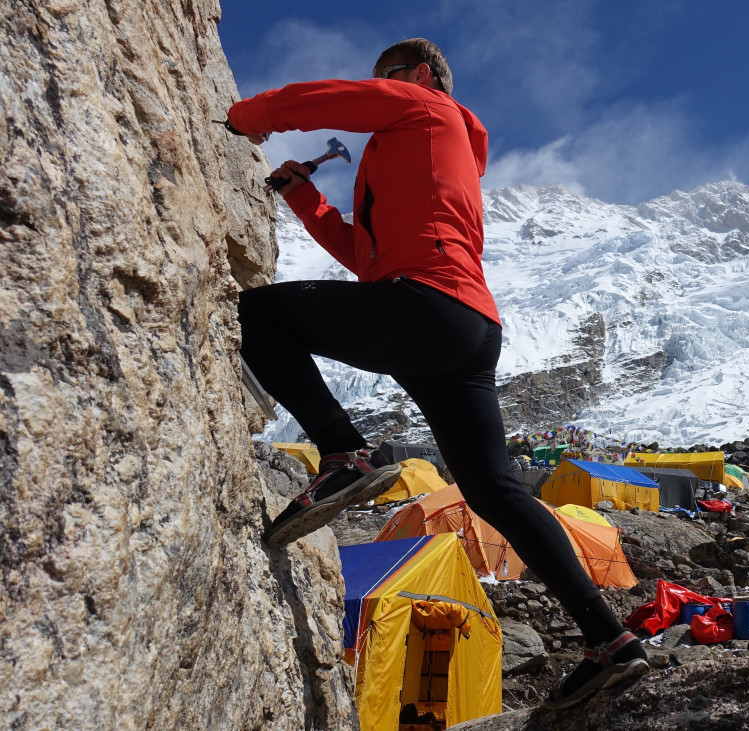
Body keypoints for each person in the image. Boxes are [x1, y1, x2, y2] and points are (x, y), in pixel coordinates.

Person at [223, 38, 647, 709]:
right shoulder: (431, 159)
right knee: (495, 492)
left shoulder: (425, 108)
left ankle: (342, 450)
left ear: (419, 76)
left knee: (256, 314)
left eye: (387, 79)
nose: (381, 88)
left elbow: (328, 99)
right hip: (467, 329)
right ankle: (611, 639)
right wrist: (306, 198)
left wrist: (249, 116)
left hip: (426, 304)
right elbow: (367, 258)